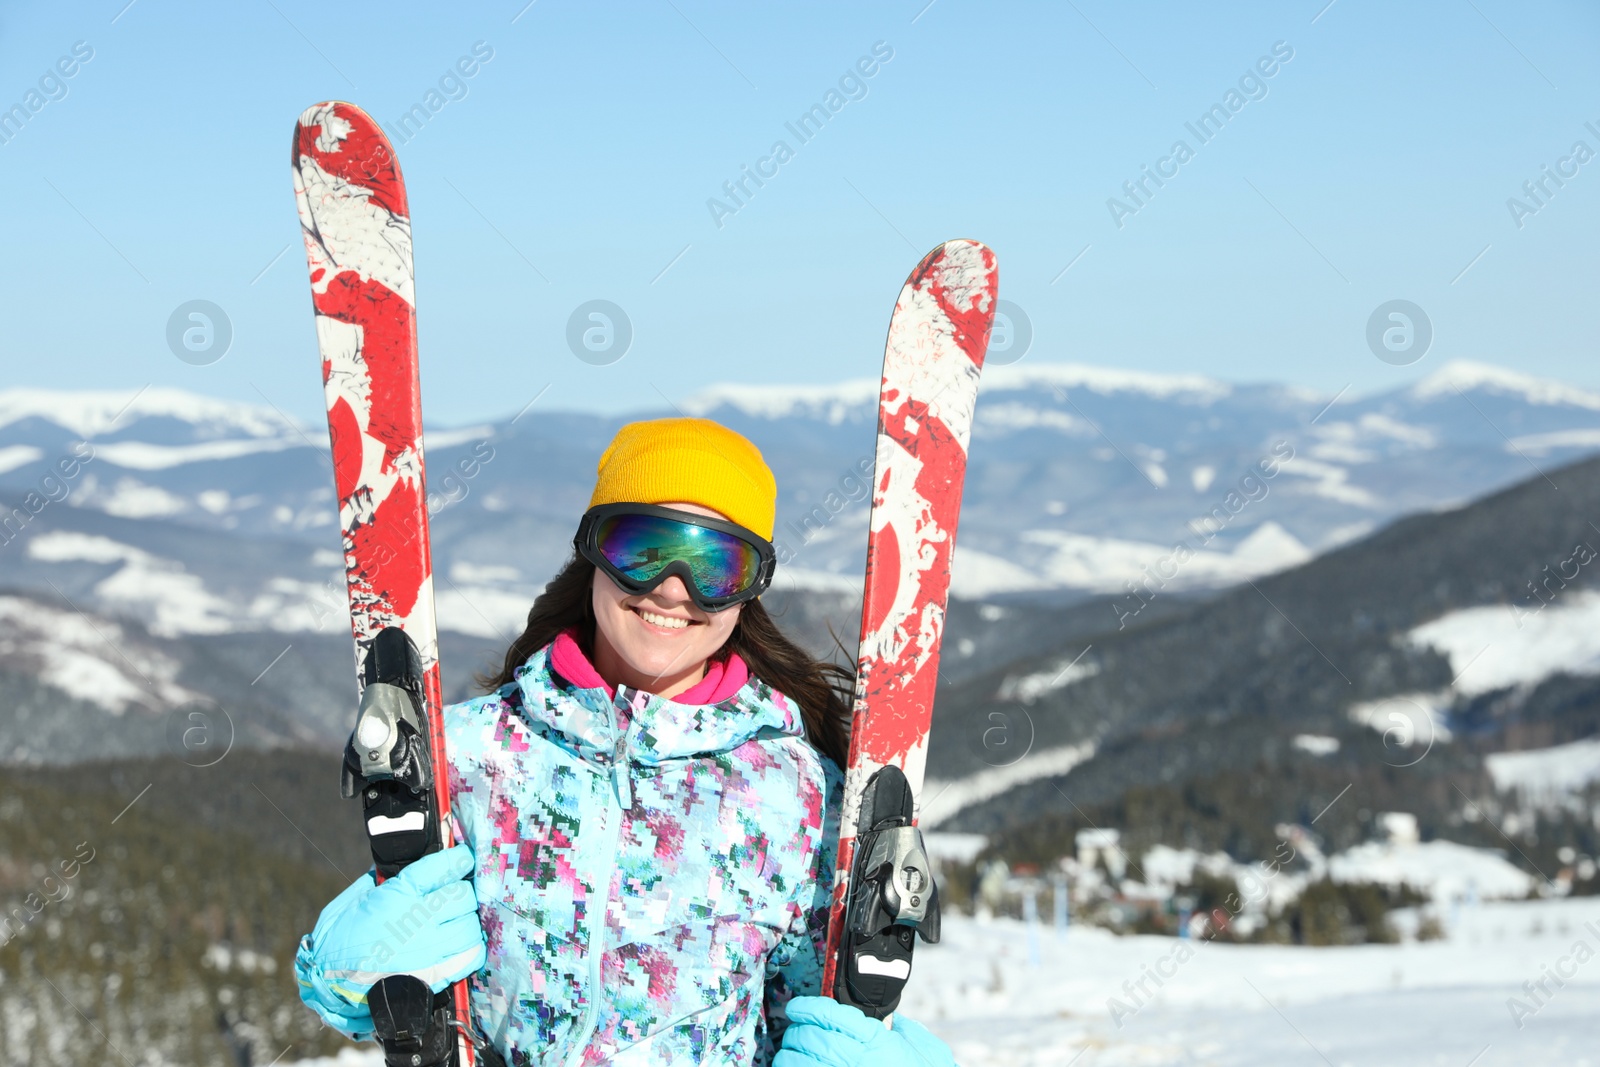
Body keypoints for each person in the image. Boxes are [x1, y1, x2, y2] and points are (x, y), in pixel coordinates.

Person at [295, 418, 957, 1066]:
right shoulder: (469, 754)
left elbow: (818, 1013)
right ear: (593, 551)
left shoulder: (800, 796)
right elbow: (406, 949)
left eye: (715, 565)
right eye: (640, 548)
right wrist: (351, 977)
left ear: (750, 588)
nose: (672, 587)